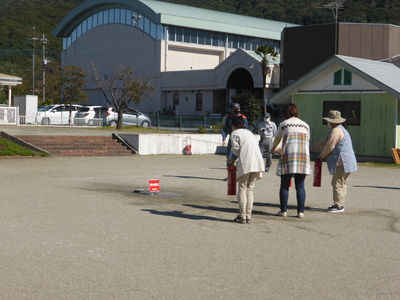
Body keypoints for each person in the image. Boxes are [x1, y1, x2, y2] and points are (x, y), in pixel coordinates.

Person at [310, 110, 357, 213]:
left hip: (341, 161)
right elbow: (326, 141)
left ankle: (338, 205)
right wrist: (313, 147)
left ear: (332, 122)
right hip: (349, 161)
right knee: (343, 183)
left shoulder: (336, 131)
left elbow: (329, 146)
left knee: (337, 183)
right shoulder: (341, 129)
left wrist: (322, 155)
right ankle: (341, 203)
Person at [271, 104, 311, 218]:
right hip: (303, 158)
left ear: (286, 113)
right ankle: (300, 212)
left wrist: (273, 150)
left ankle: (283, 211)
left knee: (284, 185)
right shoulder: (305, 125)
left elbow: (277, 139)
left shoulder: (284, 124)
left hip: (288, 156)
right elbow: (307, 140)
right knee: (300, 186)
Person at [227, 116, 264, 224]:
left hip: (246, 162)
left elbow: (236, 150)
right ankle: (248, 215)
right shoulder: (249, 132)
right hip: (257, 161)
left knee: (242, 188)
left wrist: (231, 160)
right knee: (250, 189)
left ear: (233, 126)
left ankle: (242, 215)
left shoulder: (234, 134)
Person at [221, 103, 249, 180]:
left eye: (237, 109)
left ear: (239, 109)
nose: (236, 111)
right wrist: (224, 139)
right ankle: (230, 175)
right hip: (232, 138)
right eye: (234, 109)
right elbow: (225, 129)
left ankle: (240, 175)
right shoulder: (229, 118)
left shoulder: (243, 118)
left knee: (241, 157)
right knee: (230, 157)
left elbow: (247, 129)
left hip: (242, 139)